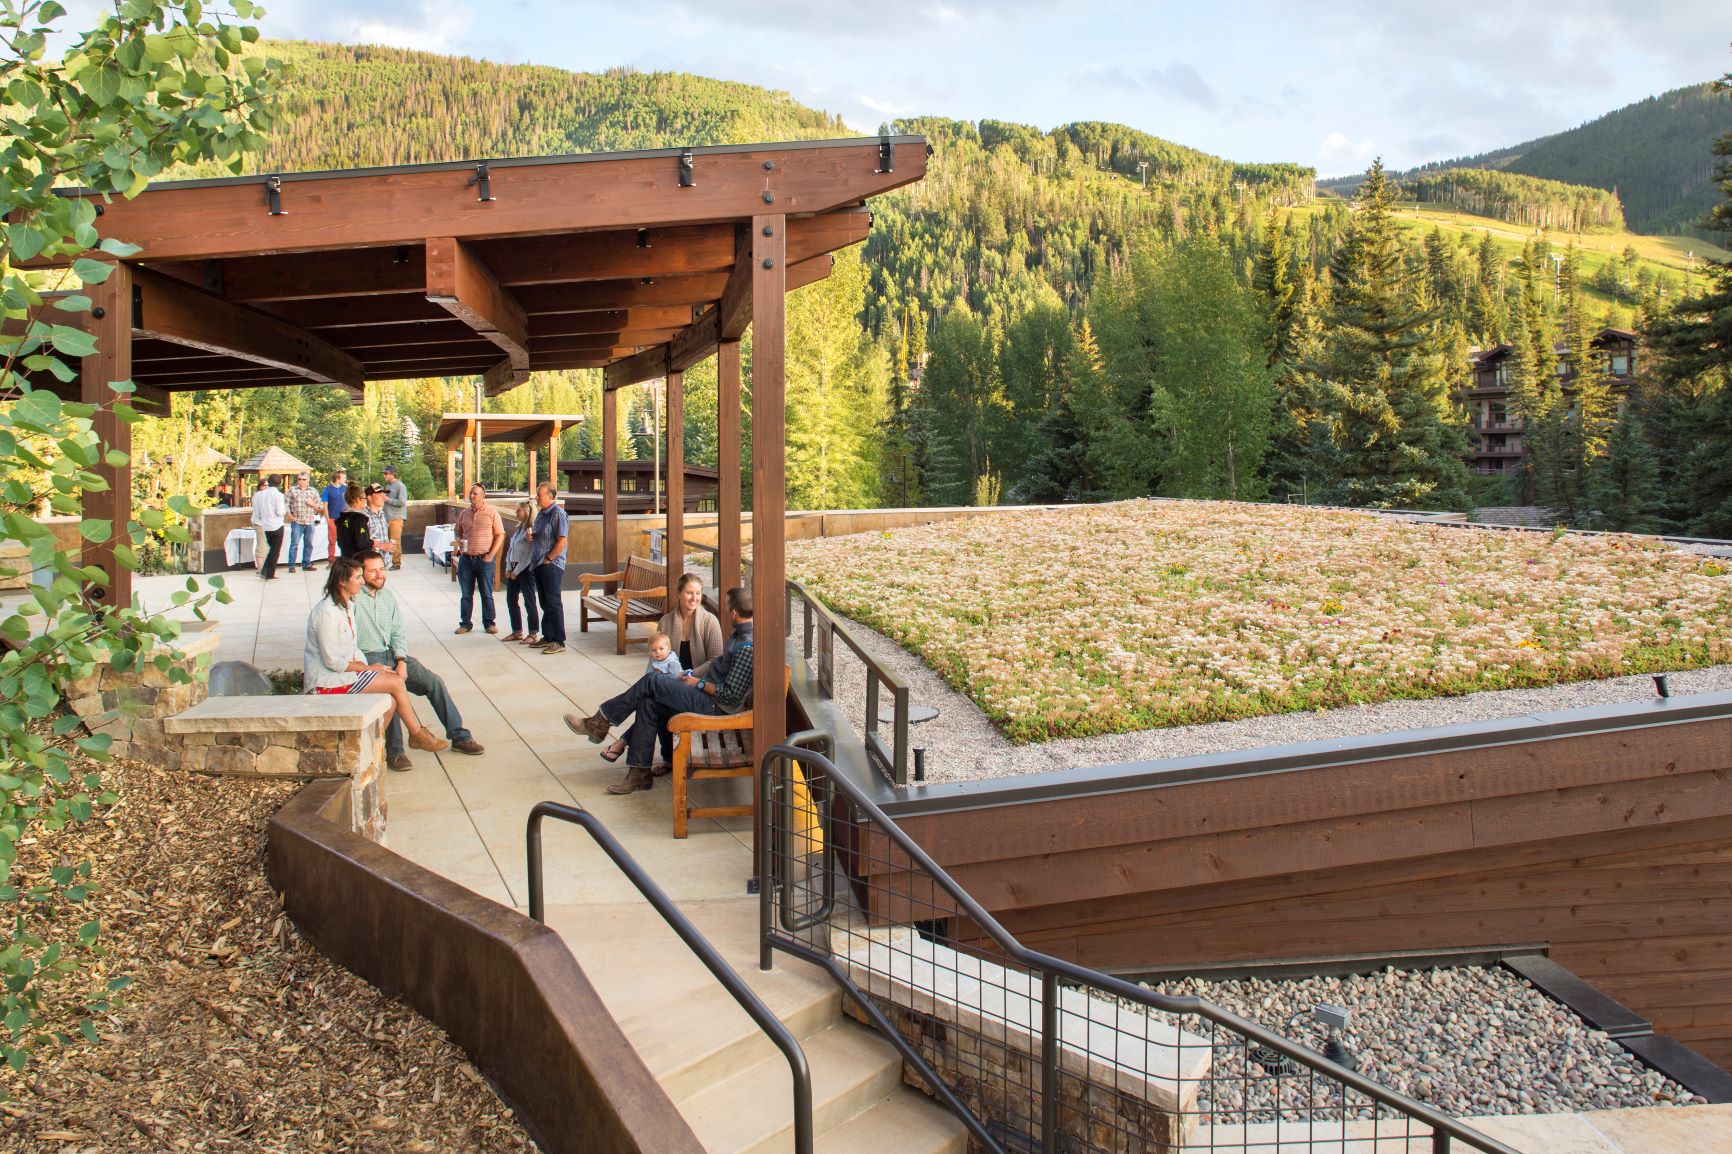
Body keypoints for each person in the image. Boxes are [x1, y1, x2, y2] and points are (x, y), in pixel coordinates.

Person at [568, 586, 754, 795]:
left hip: (715, 708)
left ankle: (599, 722)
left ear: (734, 613)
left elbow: (731, 695)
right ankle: (639, 773)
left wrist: (698, 683)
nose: (725, 610)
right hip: (705, 696)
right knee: (648, 704)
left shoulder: (746, 646)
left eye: (727, 607)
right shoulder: (738, 636)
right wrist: (691, 677)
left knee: (653, 680)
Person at [351, 550, 484, 769]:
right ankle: (395, 753)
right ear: (359, 573)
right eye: (372, 571)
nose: (379, 575)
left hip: (393, 654)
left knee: (434, 682)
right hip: (368, 658)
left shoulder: (387, 596)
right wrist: (369, 666)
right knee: (390, 693)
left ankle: (459, 736)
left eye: (382, 570)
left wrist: (401, 660)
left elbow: (398, 632)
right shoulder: (353, 599)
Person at [303, 555, 448, 753]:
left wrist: (374, 668)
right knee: (396, 682)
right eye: (358, 578)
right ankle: (417, 734)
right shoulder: (326, 612)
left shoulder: (347, 606)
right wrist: (369, 668)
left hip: (346, 674)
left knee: (390, 702)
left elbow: (353, 649)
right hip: (326, 683)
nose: (362, 582)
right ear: (341, 581)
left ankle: (367, 750)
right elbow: (333, 661)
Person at [598, 631, 683, 764]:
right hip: (662, 692)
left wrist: (693, 677)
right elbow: (648, 674)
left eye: (661, 649)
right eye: (654, 650)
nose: (658, 652)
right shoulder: (667, 622)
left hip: (685, 688)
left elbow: (678, 676)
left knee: (650, 702)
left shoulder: (672, 661)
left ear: (669, 648)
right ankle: (639, 770)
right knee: (646, 703)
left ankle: (603, 720)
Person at [453, 482, 505, 635]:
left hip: (485, 559)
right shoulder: (464, 513)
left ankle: (489, 623)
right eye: (470, 493)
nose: (471, 496)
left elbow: (500, 534)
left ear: (483, 496)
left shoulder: (492, 513)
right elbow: (457, 532)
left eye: (475, 494)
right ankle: (465, 623)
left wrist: (491, 554)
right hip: (467, 559)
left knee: (486, 593)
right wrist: (459, 541)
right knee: (466, 594)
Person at [529, 481, 568, 655]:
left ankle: (558, 640)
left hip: (551, 565)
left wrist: (549, 558)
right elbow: (544, 535)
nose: (537, 498)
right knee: (544, 602)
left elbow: (562, 540)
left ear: (550, 496)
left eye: (540, 495)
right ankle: (548, 636)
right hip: (538, 563)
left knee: (553, 602)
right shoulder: (542, 514)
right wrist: (533, 536)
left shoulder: (558, 513)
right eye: (537, 494)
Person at [501, 500, 539, 644]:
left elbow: (529, 554)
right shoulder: (519, 528)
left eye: (519, 510)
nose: (516, 513)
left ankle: (533, 633)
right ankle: (517, 631)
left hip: (525, 570)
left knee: (529, 601)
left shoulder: (530, 530)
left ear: (527, 512)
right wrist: (508, 567)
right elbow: (511, 549)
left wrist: (516, 571)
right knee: (511, 599)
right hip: (514, 569)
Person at [285, 471, 322, 574]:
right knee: (294, 544)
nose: (301, 481)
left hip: (309, 521)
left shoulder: (313, 491)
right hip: (297, 521)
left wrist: (312, 504)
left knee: (308, 544)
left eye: (304, 479)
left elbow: (320, 506)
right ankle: (291, 565)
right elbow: (286, 504)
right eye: (300, 479)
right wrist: (290, 516)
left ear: (308, 480)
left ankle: (306, 563)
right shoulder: (292, 490)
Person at [250, 475, 286, 581]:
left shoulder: (260, 495)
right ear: (279, 483)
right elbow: (280, 511)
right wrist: (284, 511)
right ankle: (268, 573)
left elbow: (258, 512)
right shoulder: (278, 495)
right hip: (277, 525)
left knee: (271, 549)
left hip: (265, 526)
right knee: (275, 550)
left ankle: (266, 571)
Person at [382, 464, 408, 570]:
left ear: (393, 474)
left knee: (395, 540)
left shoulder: (400, 486)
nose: (384, 475)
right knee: (388, 540)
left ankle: (397, 563)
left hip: (396, 517)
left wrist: (387, 500)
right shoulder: (388, 486)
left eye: (386, 473)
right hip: (387, 516)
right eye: (384, 474)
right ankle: (388, 561)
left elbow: (402, 502)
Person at [335, 484, 372, 557]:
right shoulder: (359, 518)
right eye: (365, 498)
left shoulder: (342, 518)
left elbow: (339, 542)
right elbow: (362, 544)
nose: (366, 501)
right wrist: (372, 543)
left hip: (346, 558)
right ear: (358, 500)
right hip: (358, 559)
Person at [321, 469, 348, 563]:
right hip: (333, 518)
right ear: (337, 478)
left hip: (344, 519)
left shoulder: (345, 488)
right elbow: (325, 505)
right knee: (332, 541)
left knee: (345, 539)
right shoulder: (328, 489)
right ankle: (331, 560)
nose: (345, 479)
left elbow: (349, 502)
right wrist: (328, 519)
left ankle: (345, 558)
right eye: (343, 477)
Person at [364, 484, 396, 564]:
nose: (383, 497)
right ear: (369, 498)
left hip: (383, 562)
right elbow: (361, 541)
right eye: (379, 494)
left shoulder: (382, 514)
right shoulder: (363, 516)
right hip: (370, 563)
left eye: (384, 494)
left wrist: (390, 547)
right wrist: (382, 546)